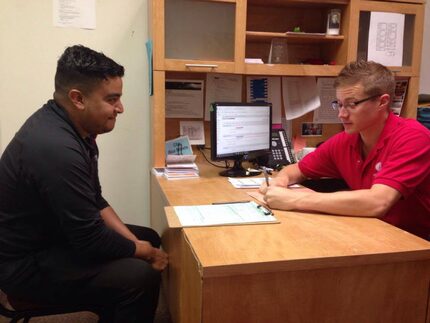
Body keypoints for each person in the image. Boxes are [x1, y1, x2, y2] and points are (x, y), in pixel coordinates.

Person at [0, 45, 168, 323]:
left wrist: (138, 244)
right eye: (112, 99)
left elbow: (96, 200)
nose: (120, 108)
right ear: (77, 98)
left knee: (148, 236)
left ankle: (111, 307)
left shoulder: (77, 131)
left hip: (56, 237)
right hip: (25, 266)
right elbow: (90, 239)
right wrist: (146, 254)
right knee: (140, 275)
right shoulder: (55, 148)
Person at [260, 60, 430, 240]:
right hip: (374, 232)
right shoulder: (346, 140)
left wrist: (294, 200)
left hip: (416, 245)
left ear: (382, 102)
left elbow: (378, 202)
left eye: (352, 104)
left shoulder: (413, 138)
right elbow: (295, 169)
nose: (341, 114)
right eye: (339, 104)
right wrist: (279, 183)